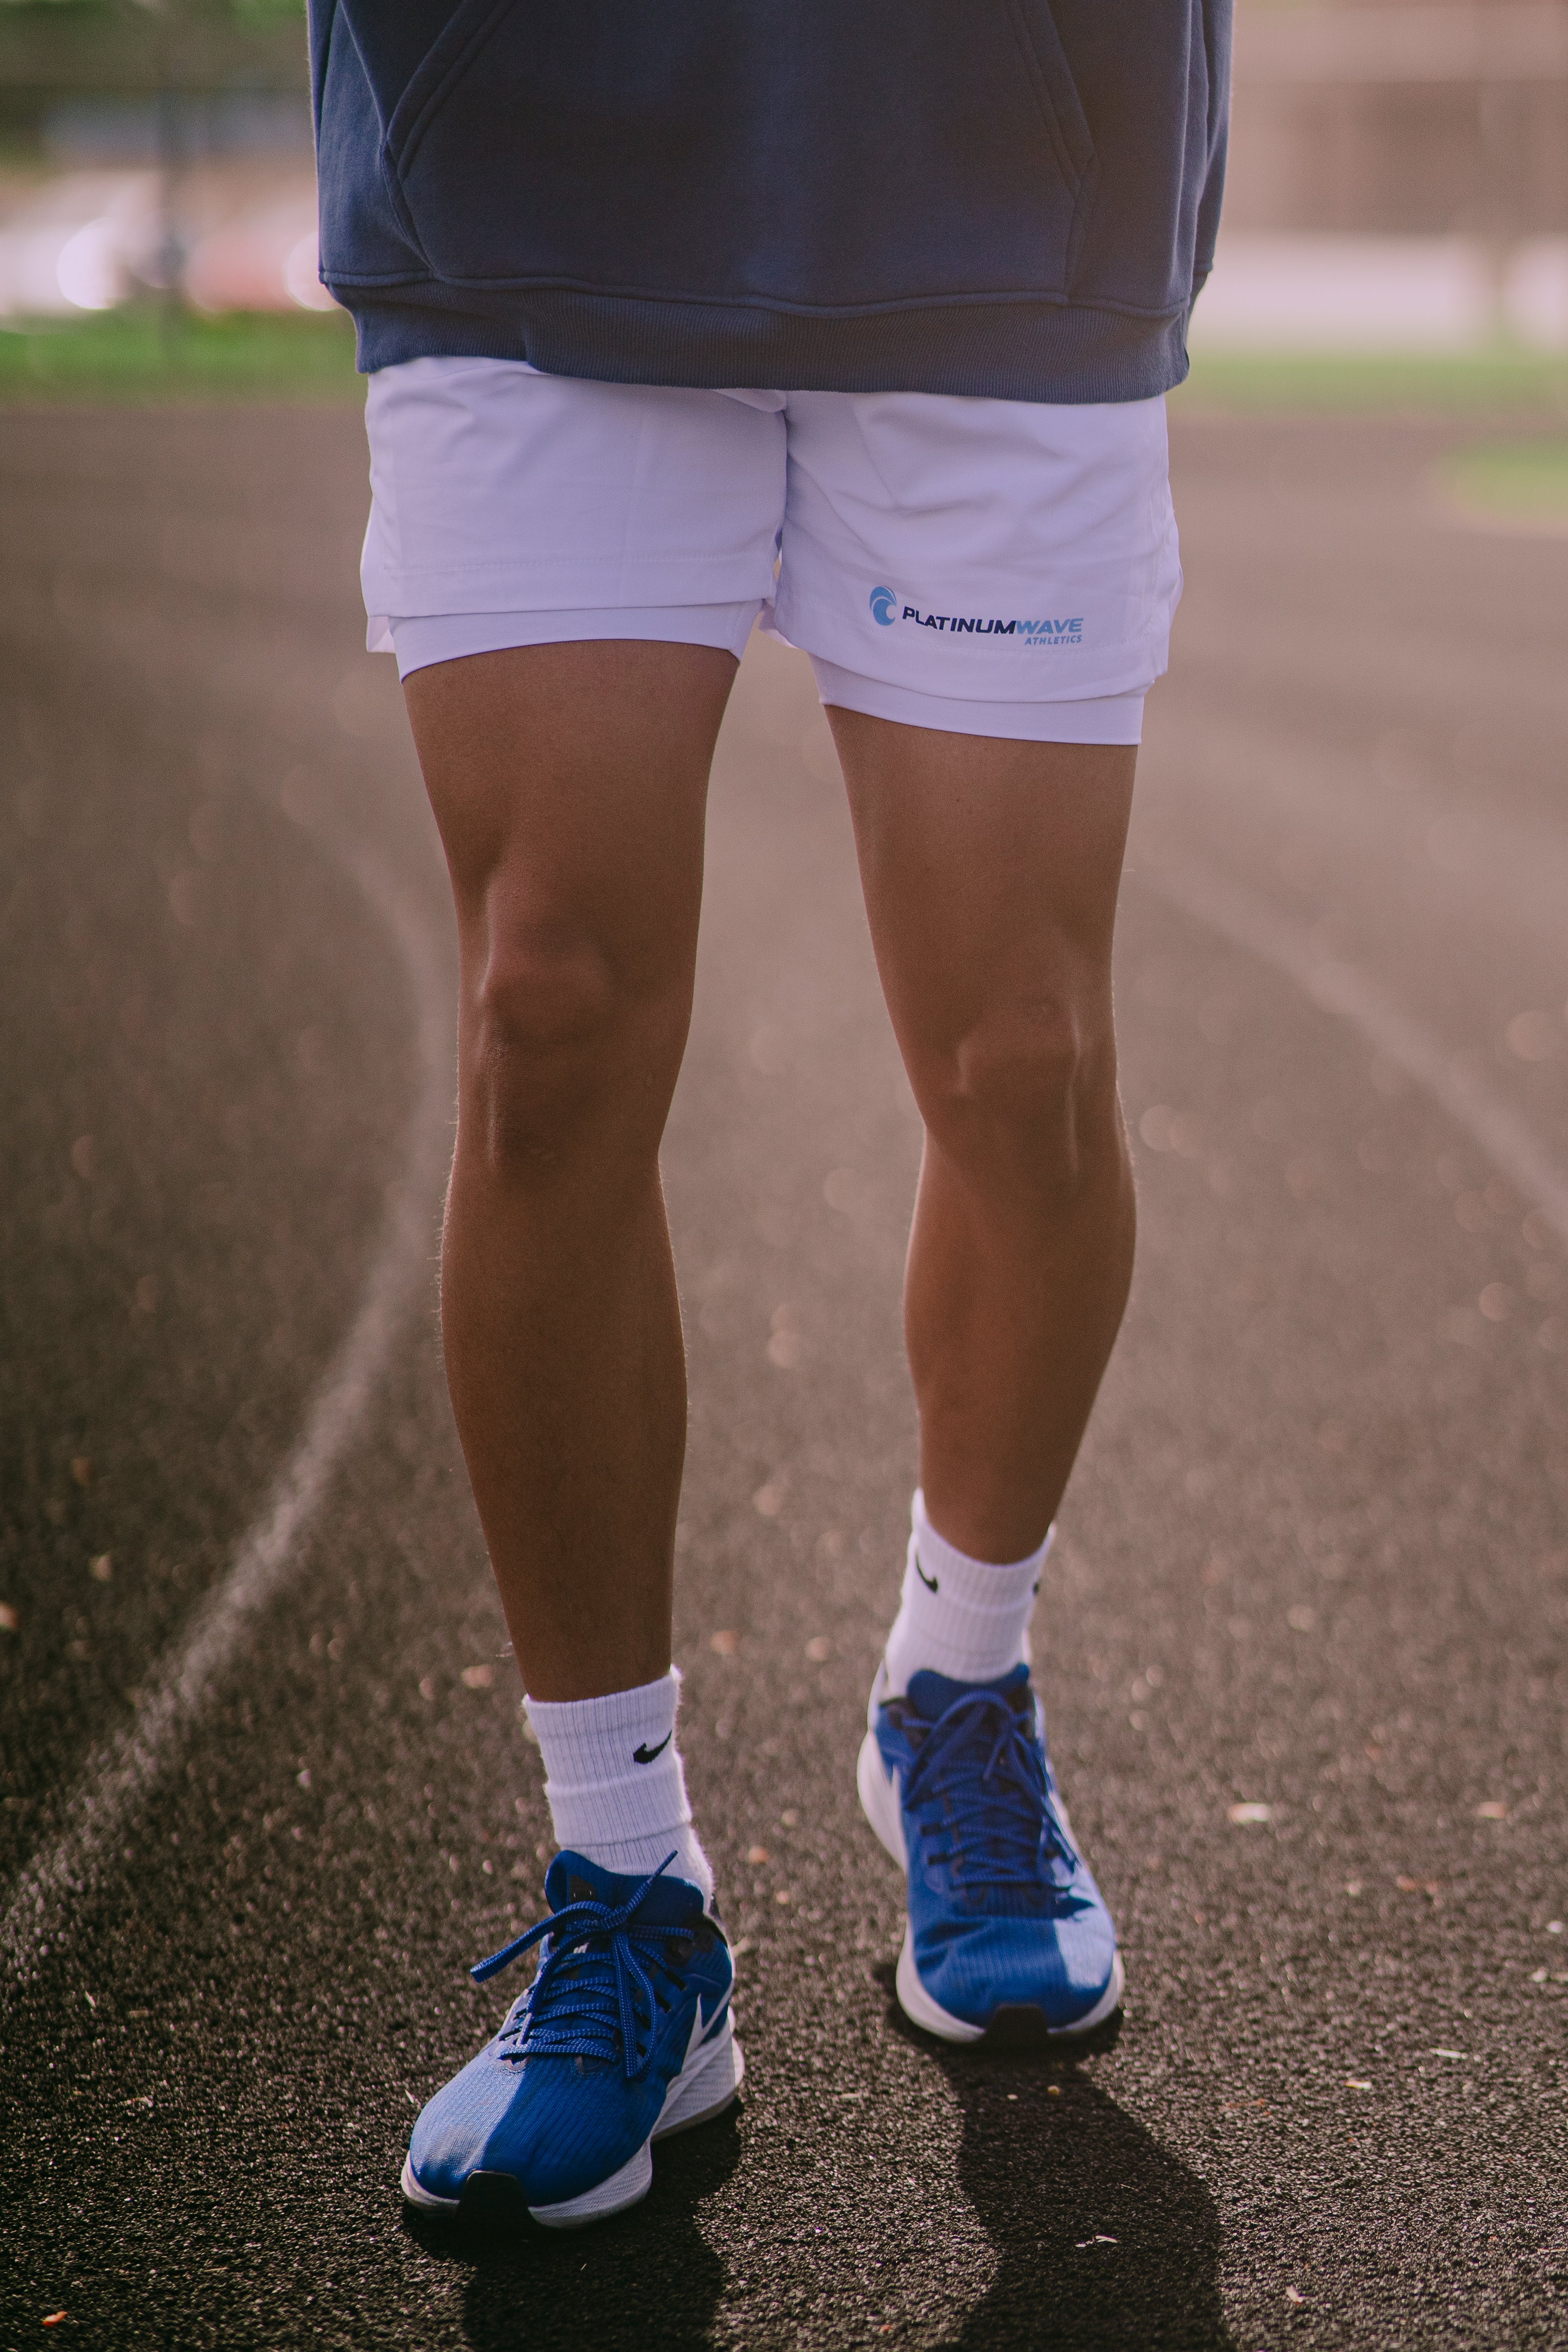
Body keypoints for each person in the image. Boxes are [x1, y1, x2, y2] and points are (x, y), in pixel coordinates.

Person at [309, 0, 1229, 2229]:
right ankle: (626, 1884)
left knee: (1027, 1063)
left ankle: (956, 1679)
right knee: (545, 1017)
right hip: (529, 157)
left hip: (1005, 180)